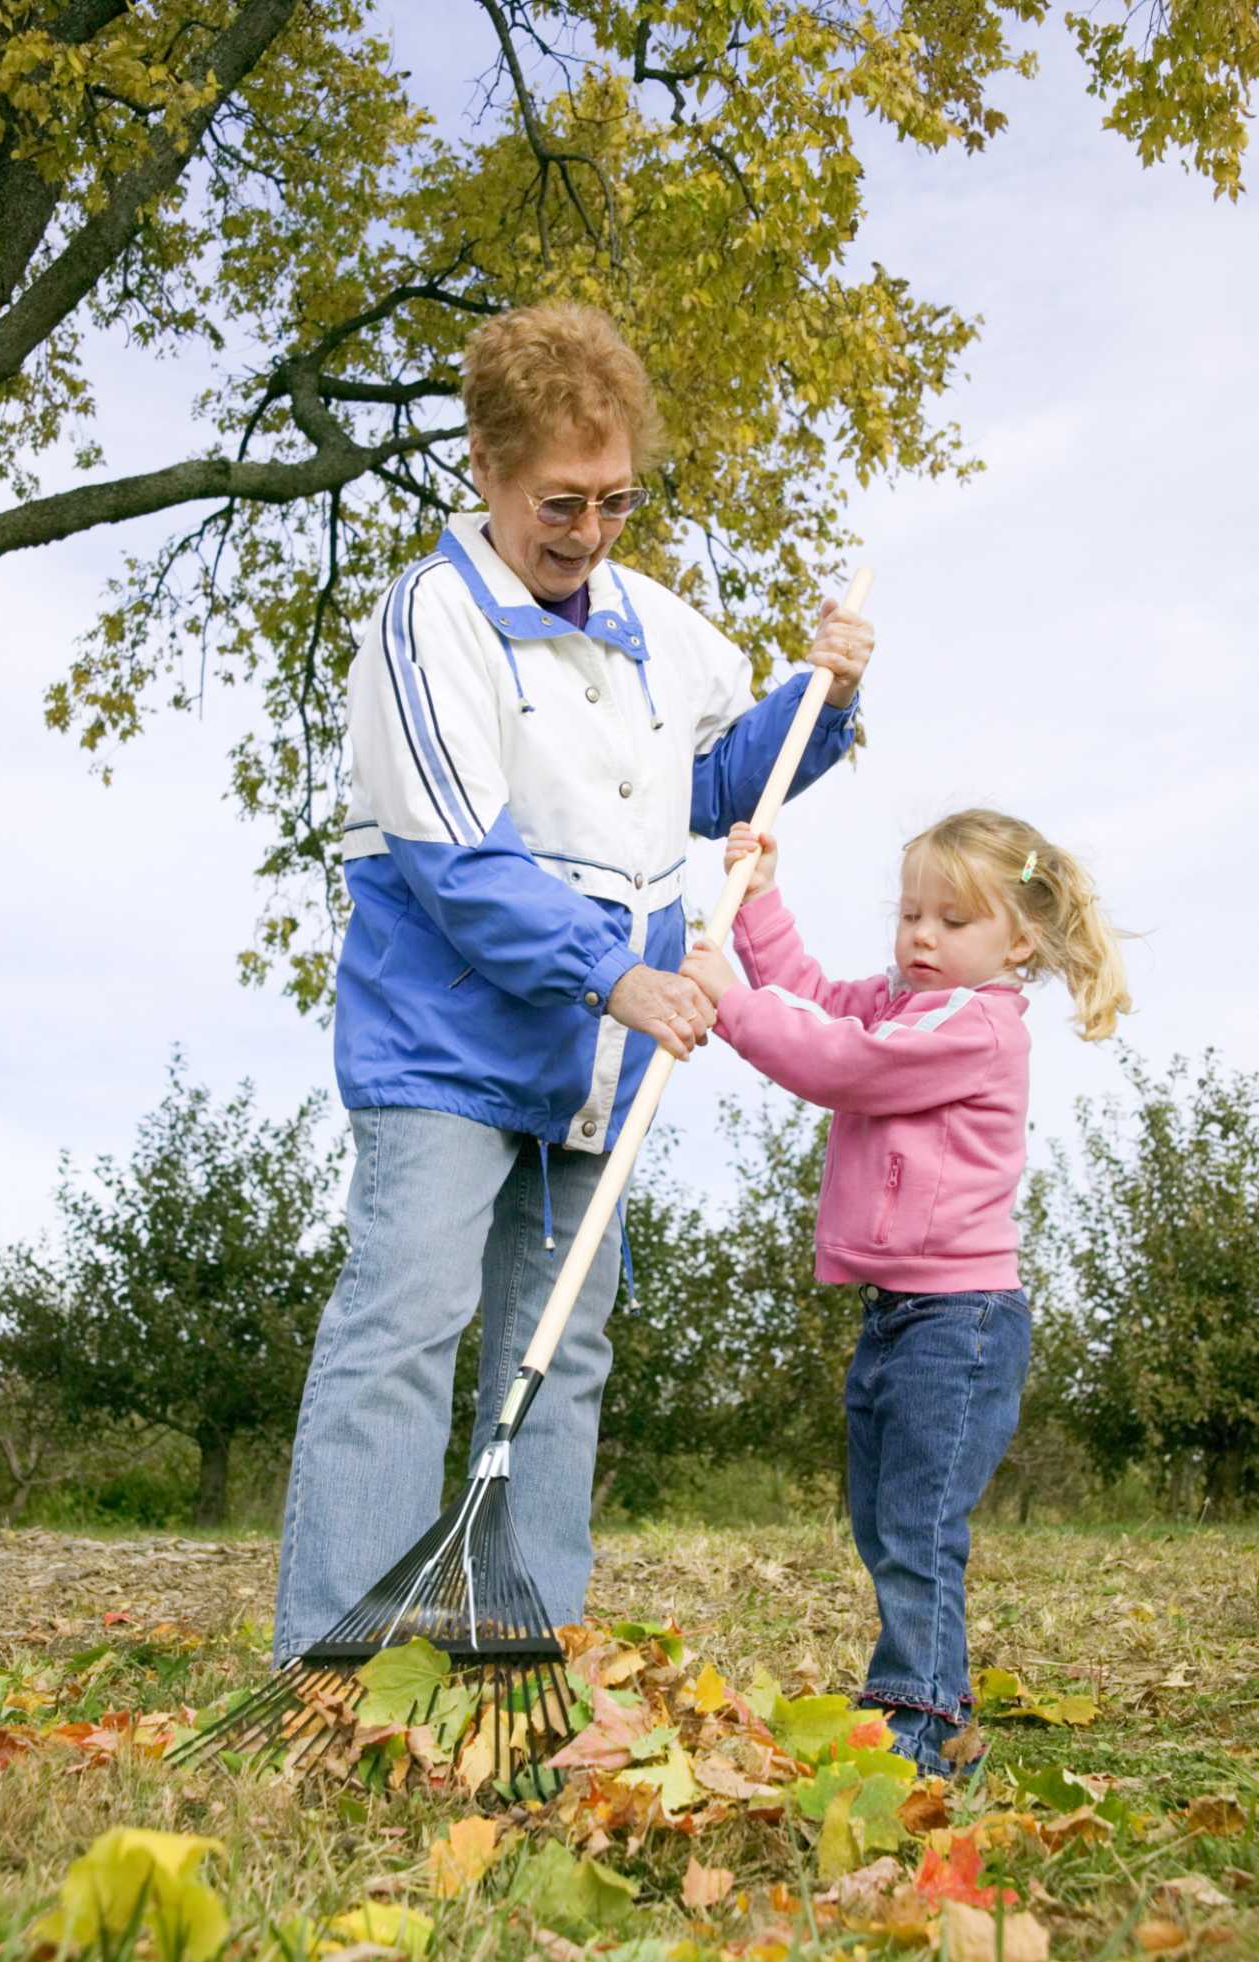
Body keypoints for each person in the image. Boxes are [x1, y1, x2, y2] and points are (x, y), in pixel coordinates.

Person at [273, 301, 875, 1661]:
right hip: (445, 1049)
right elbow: (455, 865)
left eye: (615, 500)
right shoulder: (429, 623)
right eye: (560, 501)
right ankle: (337, 1648)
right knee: (404, 1327)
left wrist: (819, 703)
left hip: (595, 1066)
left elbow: (719, 783)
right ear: (484, 468)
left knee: (560, 1350)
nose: (589, 531)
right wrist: (615, 977)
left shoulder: (654, 622)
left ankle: (514, 1631)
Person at [679, 806, 1129, 1774]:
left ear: (1019, 939)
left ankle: (916, 1719)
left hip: (960, 1323)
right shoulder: (907, 1001)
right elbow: (813, 999)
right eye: (911, 913)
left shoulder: (976, 1028)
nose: (921, 935)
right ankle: (941, 1701)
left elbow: (839, 1061)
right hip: (901, 1311)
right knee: (885, 1520)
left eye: (953, 920)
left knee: (918, 1526)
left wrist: (727, 1000)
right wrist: (758, 907)